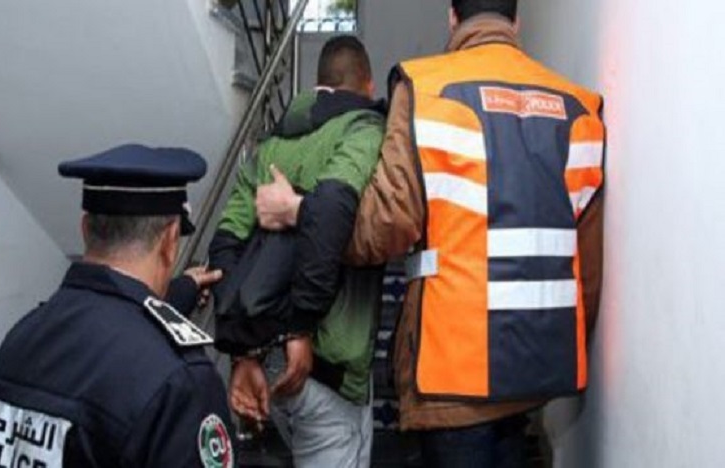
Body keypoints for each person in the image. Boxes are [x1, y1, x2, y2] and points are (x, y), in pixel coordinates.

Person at [255, 1, 606, 466]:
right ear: (516, 22)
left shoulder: (427, 89)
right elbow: (588, 270)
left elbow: (384, 226)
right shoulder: (578, 107)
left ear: (452, 17)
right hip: (535, 366)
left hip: (452, 371)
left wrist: (299, 210)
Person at [0, 144, 234, 468]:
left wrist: (187, 288)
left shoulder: (21, 338)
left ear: (85, 229)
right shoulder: (179, 382)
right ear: (170, 240)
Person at [209, 36, 386, 467]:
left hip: (268, 362)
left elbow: (226, 241)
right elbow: (333, 208)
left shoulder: (271, 143)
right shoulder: (362, 130)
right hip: (318, 366)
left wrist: (242, 349)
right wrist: (300, 328)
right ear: (368, 84)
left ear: (317, 83)